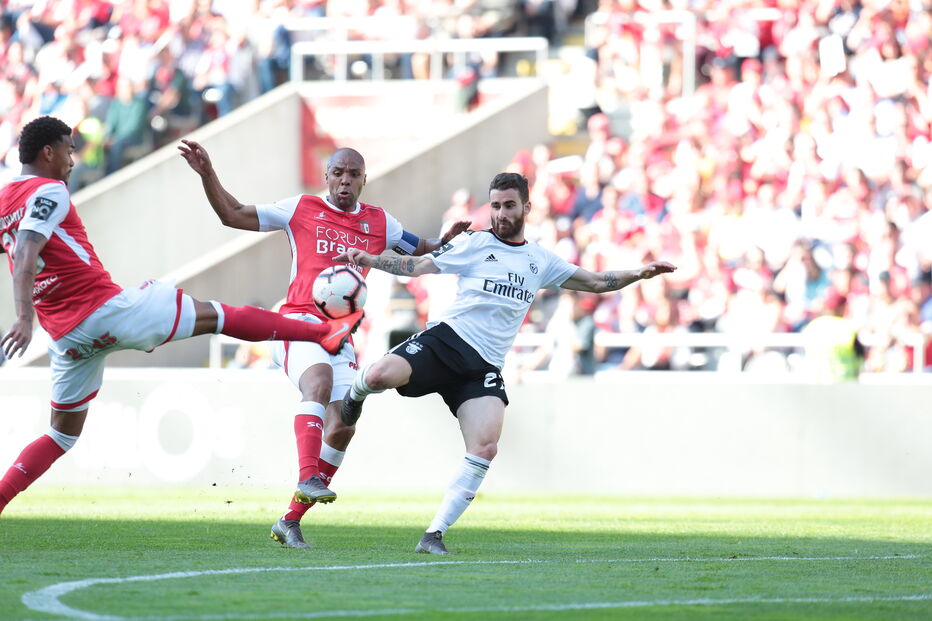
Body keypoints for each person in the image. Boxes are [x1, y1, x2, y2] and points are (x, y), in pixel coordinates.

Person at [0, 116, 361, 517]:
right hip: (105, 311)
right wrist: (23, 317)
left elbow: (15, 247)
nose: (72, 160)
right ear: (48, 152)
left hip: (67, 336)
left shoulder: (5, 200)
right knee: (217, 315)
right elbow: (26, 249)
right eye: (69, 150)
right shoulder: (51, 191)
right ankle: (322, 334)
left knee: (61, 436)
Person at [335, 172, 676, 554]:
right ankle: (353, 396)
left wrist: (639, 274)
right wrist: (371, 260)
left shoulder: (540, 260)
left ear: (526, 207)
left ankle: (433, 535)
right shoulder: (475, 243)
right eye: (495, 205)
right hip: (446, 341)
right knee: (378, 376)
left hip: (483, 367)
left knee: (484, 447)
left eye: (509, 205)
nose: (500, 213)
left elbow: (596, 282)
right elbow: (417, 267)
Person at [178, 140, 470, 550]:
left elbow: (421, 251)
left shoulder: (380, 223)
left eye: (353, 174)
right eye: (338, 173)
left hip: (340, 336)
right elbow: (233, 213)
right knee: (316, 381)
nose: (345, 180)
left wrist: (446, 241)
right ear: (326, 177)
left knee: (343, 426)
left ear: (364, 179)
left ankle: (290, 520)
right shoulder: (301, 208)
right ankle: (307, 476)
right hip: (296, 323)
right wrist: (208, 173)